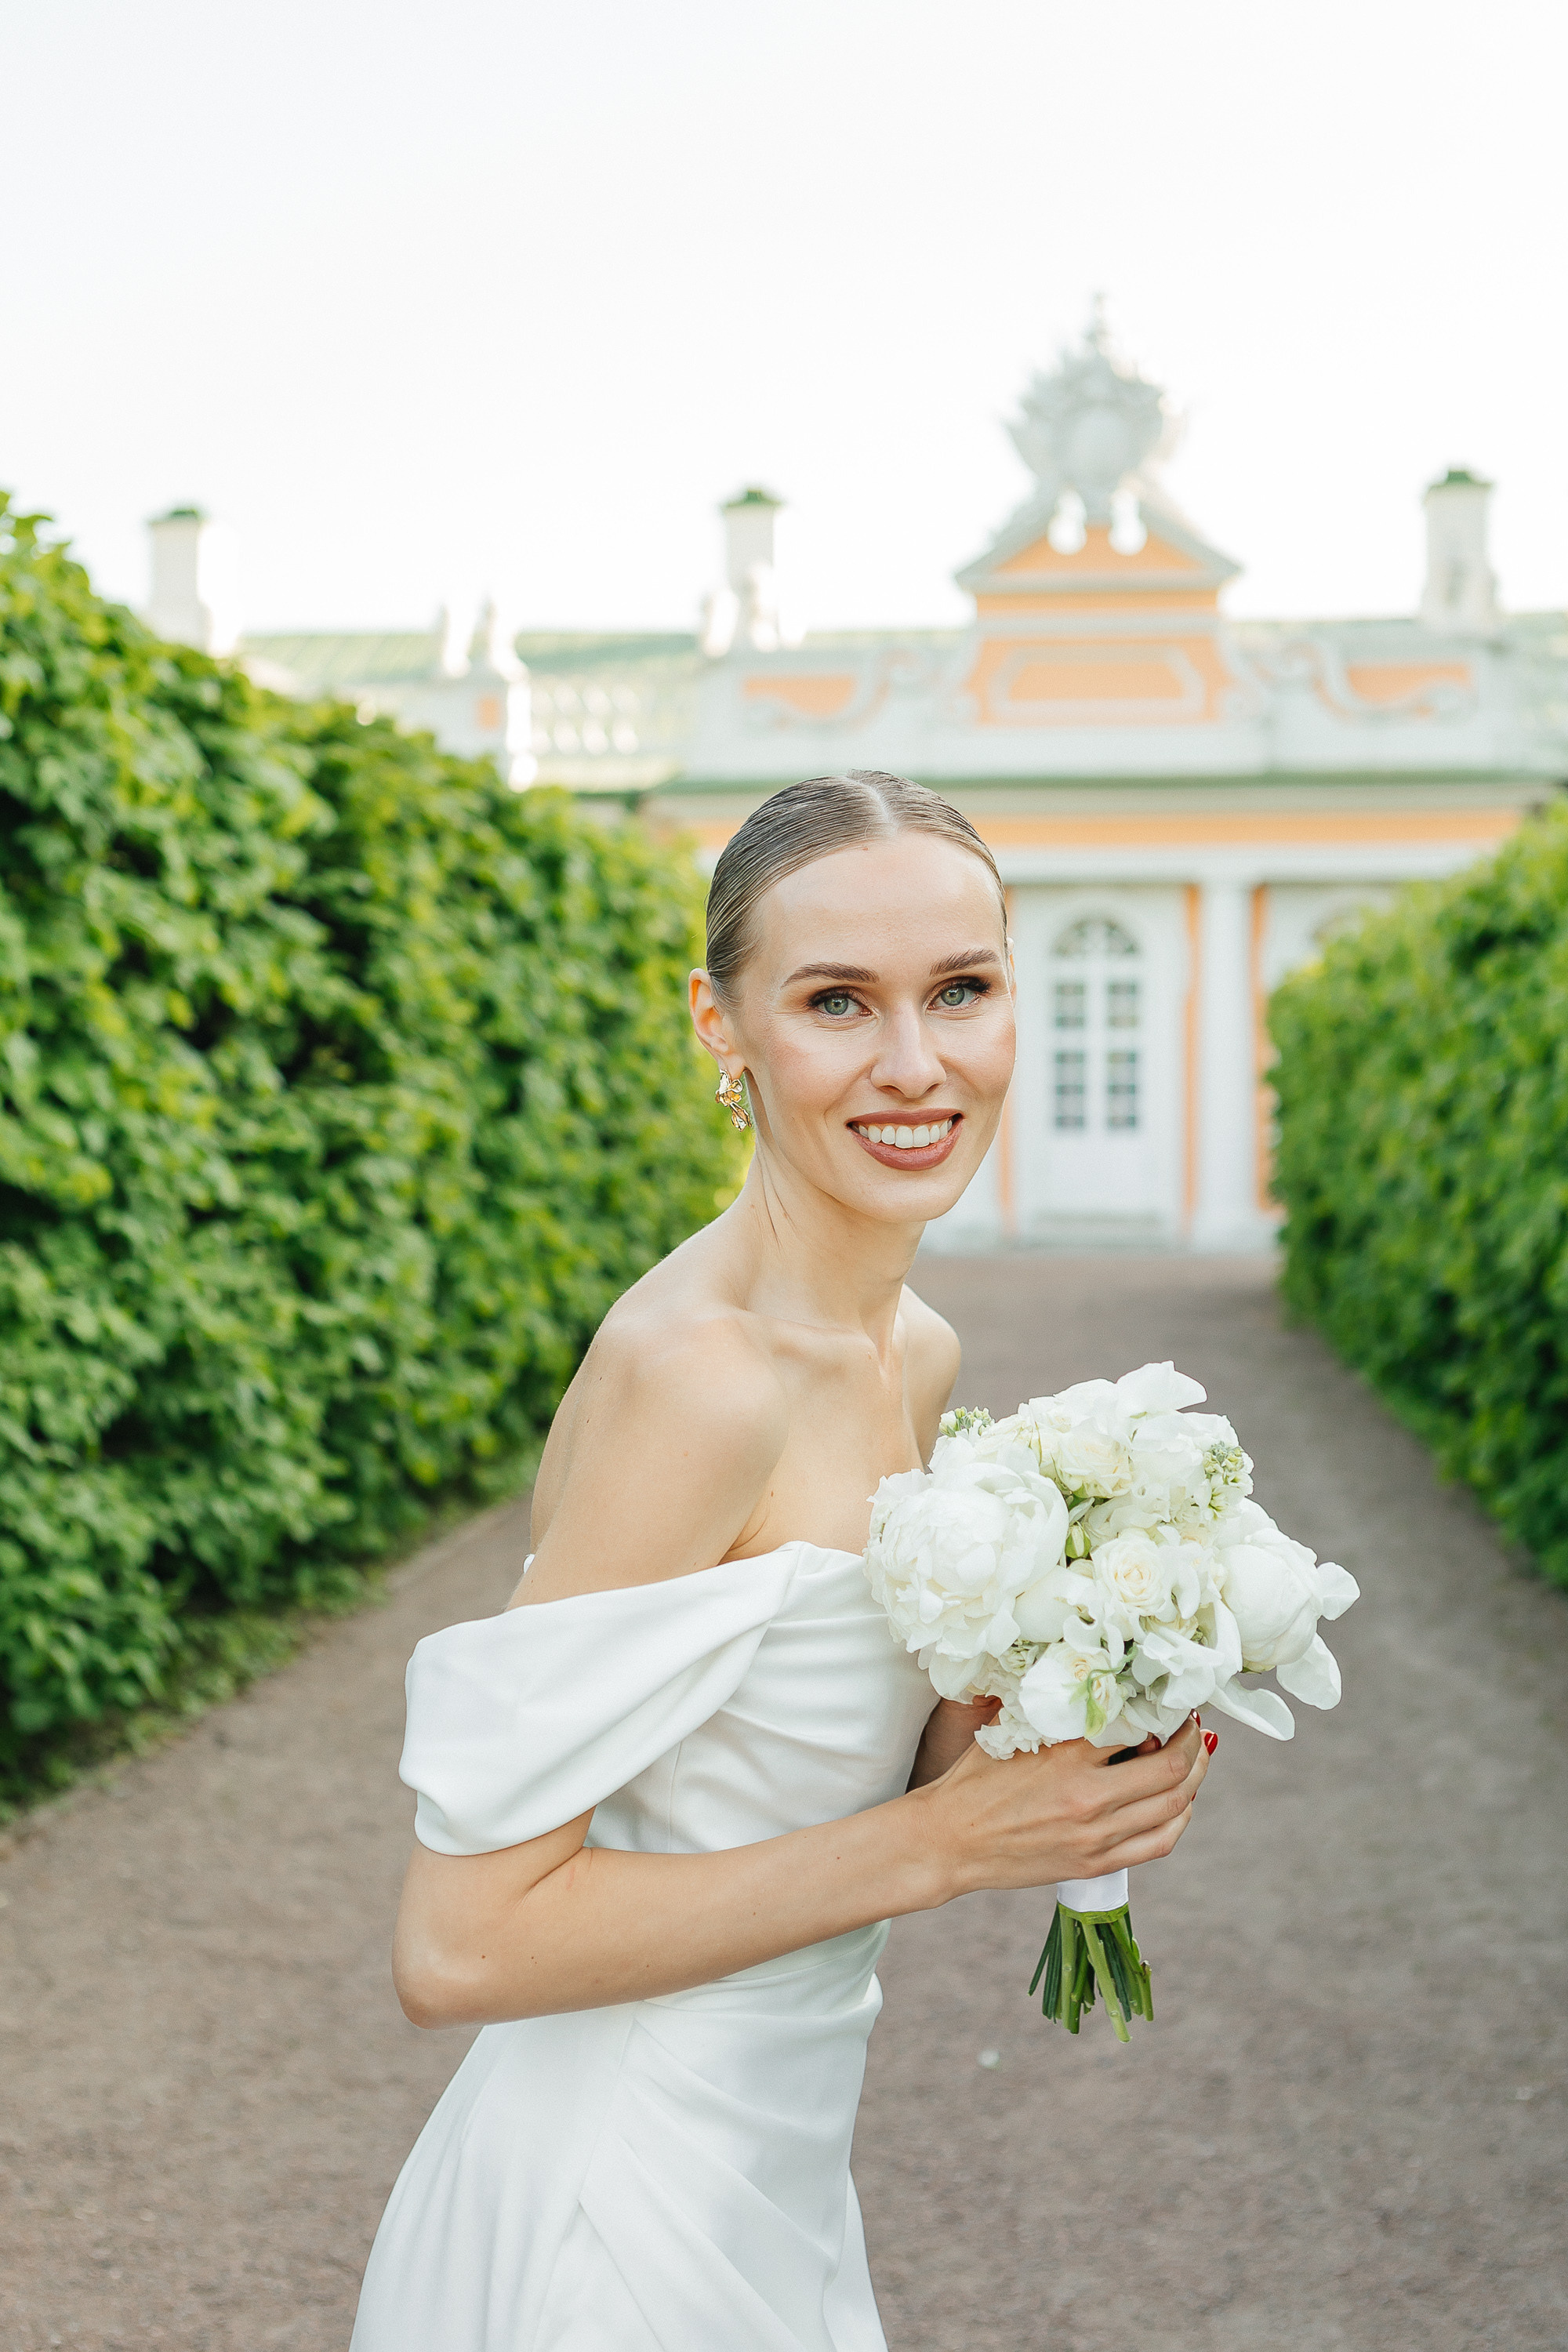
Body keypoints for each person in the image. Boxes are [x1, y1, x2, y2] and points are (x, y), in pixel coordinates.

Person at [350, 771, 1210, 2351]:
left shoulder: (920, 1349)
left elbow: (808, 1751)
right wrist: (950, 1845)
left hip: (779, 2161)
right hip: (617, 2214)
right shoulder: (705, 1378)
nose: (914, 1063)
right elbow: (459, 1941)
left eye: (961, 989)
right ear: (718, 1027)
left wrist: (1085, 1688)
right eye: (835, 1001)